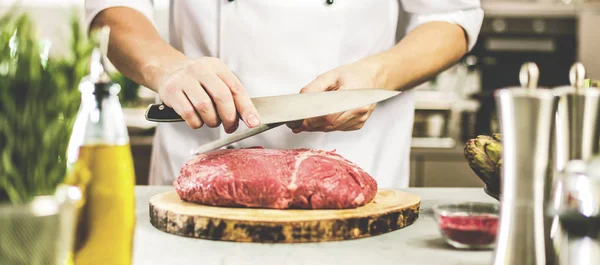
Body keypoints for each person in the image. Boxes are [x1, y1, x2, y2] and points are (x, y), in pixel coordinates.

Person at [86, 0, 484, 188]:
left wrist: (377, 73)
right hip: (196, 169)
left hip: (355, 167)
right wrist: (168, 67)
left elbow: (448, 17)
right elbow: (112, 11)